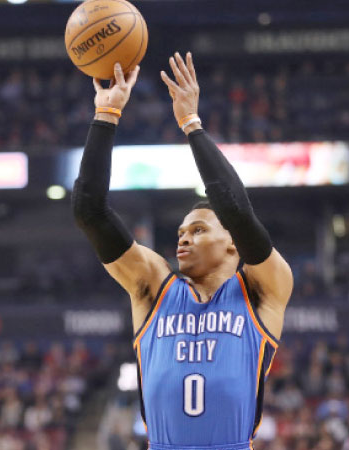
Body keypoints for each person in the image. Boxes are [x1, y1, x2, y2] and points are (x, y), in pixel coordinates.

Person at [72, 53, 293, 449]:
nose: (183, 239)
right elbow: (89, 210)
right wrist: (106, 115)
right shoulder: (154, 286)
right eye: (180, 232)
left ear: (231, 243)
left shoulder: (263, 289)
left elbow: (236, 209)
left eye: (198, 229)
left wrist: (191, 124)